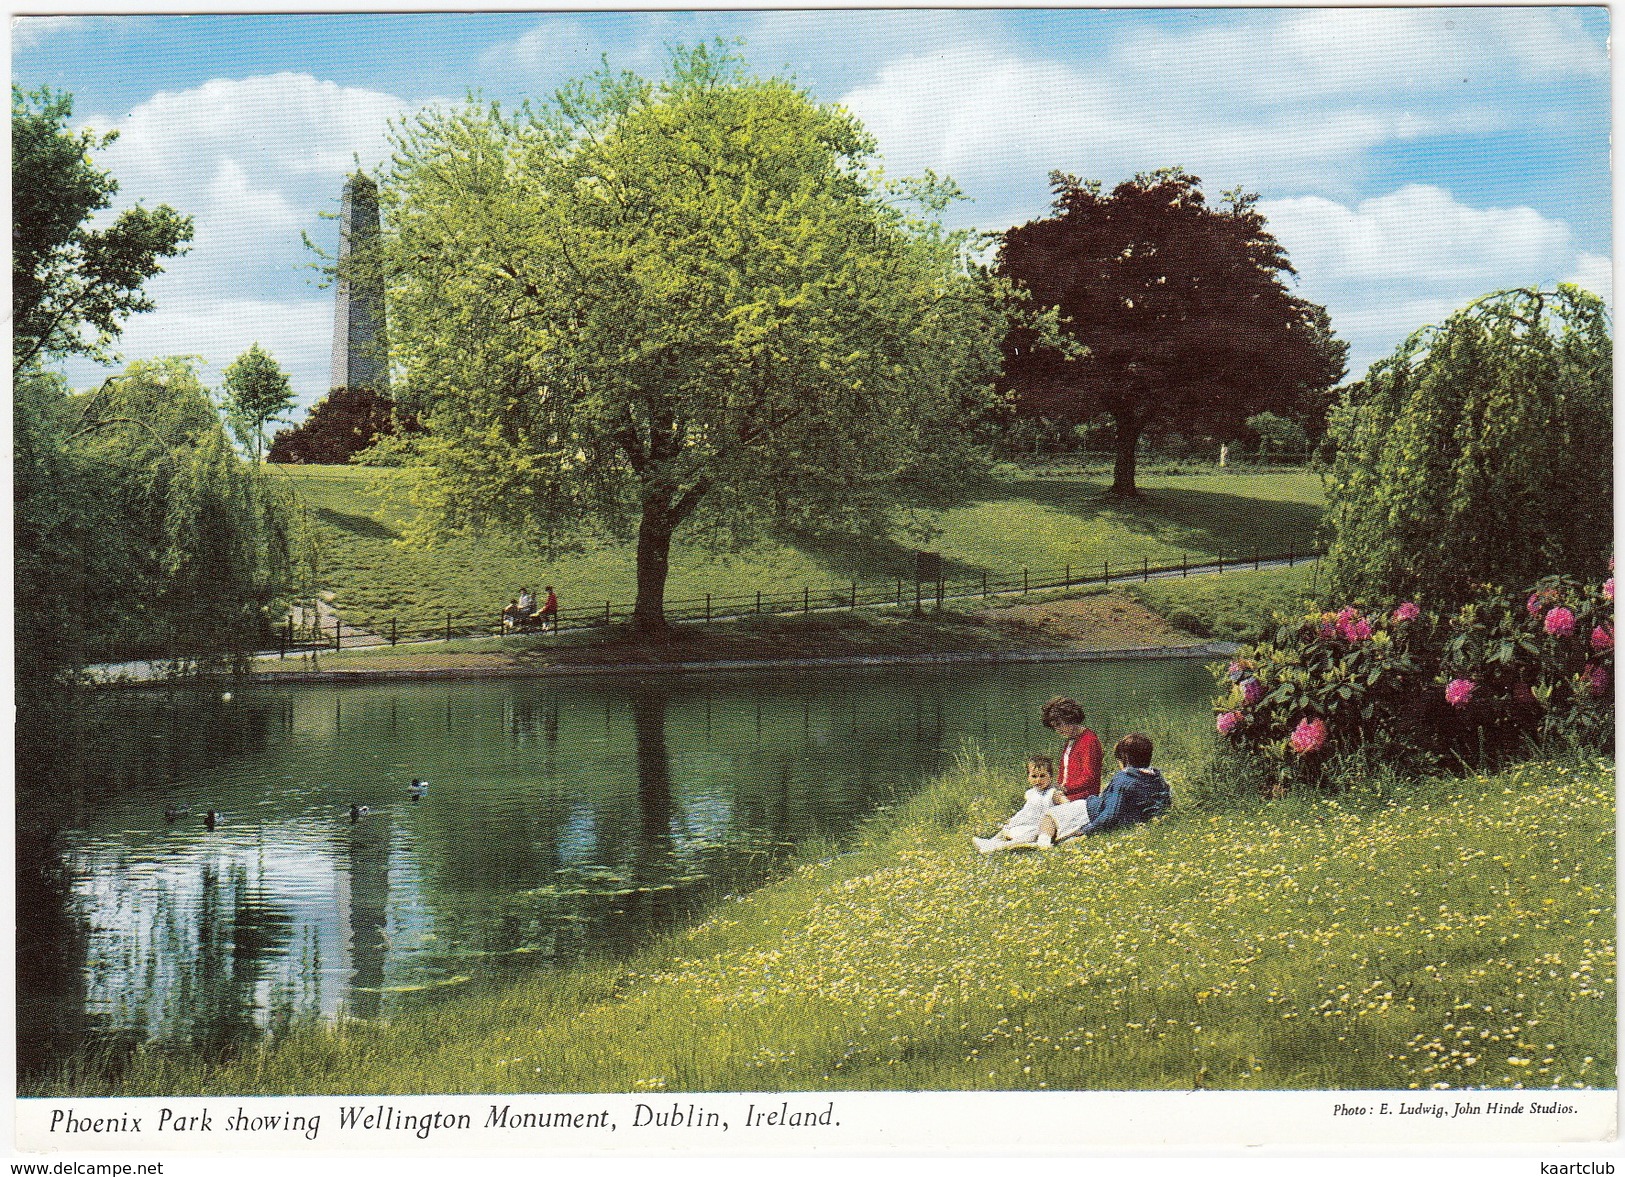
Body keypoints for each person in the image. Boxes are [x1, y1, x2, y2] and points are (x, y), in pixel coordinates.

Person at [1037, 732, 1170, 846]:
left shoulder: (1123, 780)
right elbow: (1163, 803)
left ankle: (1043, 843)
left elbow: (1110, 813)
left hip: (1091, 811)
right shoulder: (1157, 779)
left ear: (1125, 759)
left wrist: (1086, 831)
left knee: (1049, 816)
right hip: (1103, 812)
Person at [972, 755, 1061, 853]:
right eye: (1034, 776)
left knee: (1029, 835)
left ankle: (998, 847)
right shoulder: (1030, 793)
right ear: (1028, 778)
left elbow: (1066, 806)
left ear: (1051, 777)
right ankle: (990, 841)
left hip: (1039, 826)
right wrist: (1014, 820)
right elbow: (1027, 810)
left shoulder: (1053, 793)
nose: (1038, 780)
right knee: (1005, 830)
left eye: (1042, 776)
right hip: (1025, 822)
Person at [1040, 696, 1103, 803]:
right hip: (1068, 793)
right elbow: (1064, 772)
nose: (1057, 730)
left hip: (1084, 797)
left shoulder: (1089, 740)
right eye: (1054, 727)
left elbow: (1089, 778)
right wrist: (1058, 787)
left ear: (1070, 718)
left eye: (1059, 724)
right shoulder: (1070, 740)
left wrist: (1065, 788)